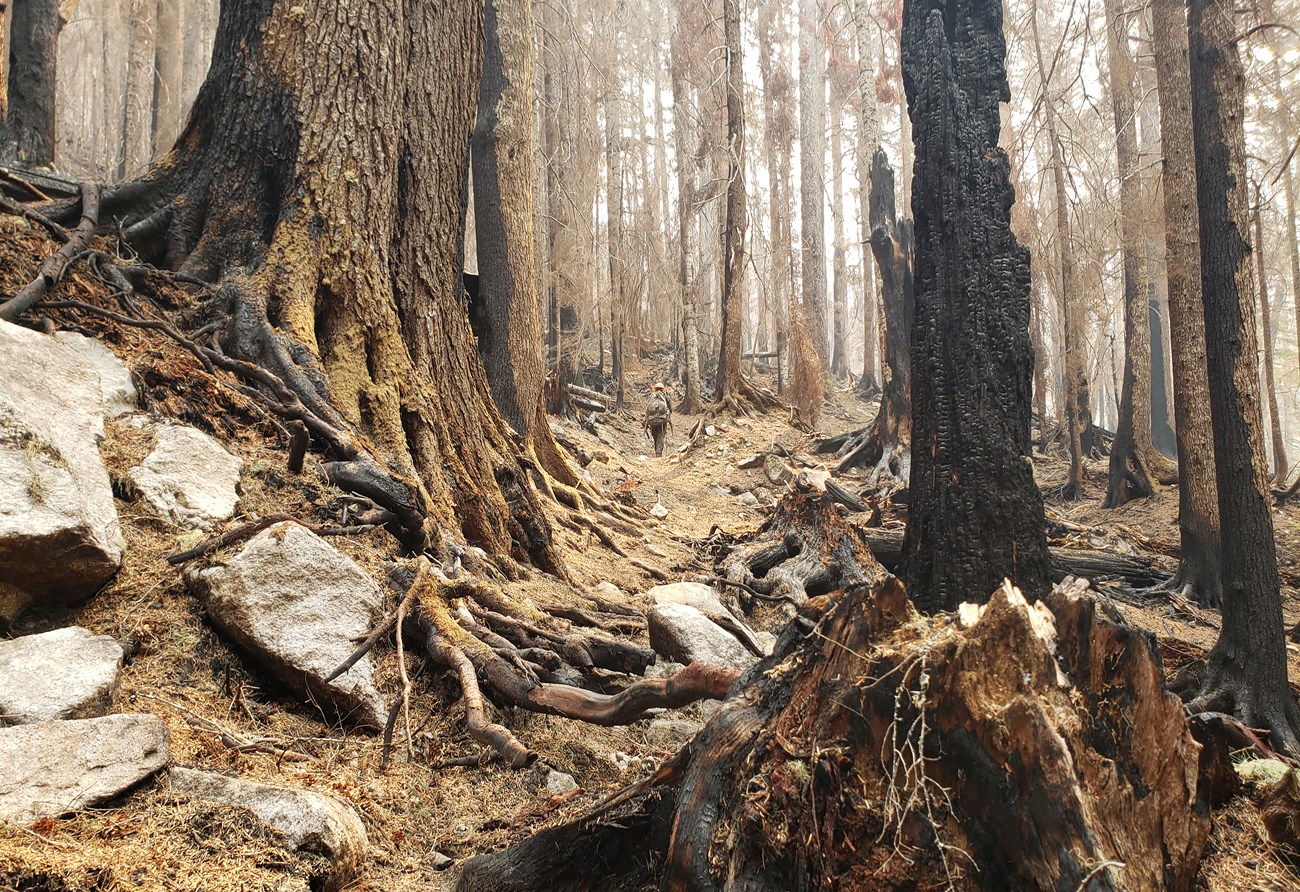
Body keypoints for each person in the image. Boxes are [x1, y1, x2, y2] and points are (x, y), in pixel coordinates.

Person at [643, 382, 672, 456]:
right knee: (661, 435)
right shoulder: (665, 396)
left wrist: (646, 419)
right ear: (663, 389)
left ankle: (657, 450)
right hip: (663, 419)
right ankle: (658, 453)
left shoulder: (651, 396)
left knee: (655, 435)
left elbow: (647, 409)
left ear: (655, 389)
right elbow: (670, 409)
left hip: (652, 419)